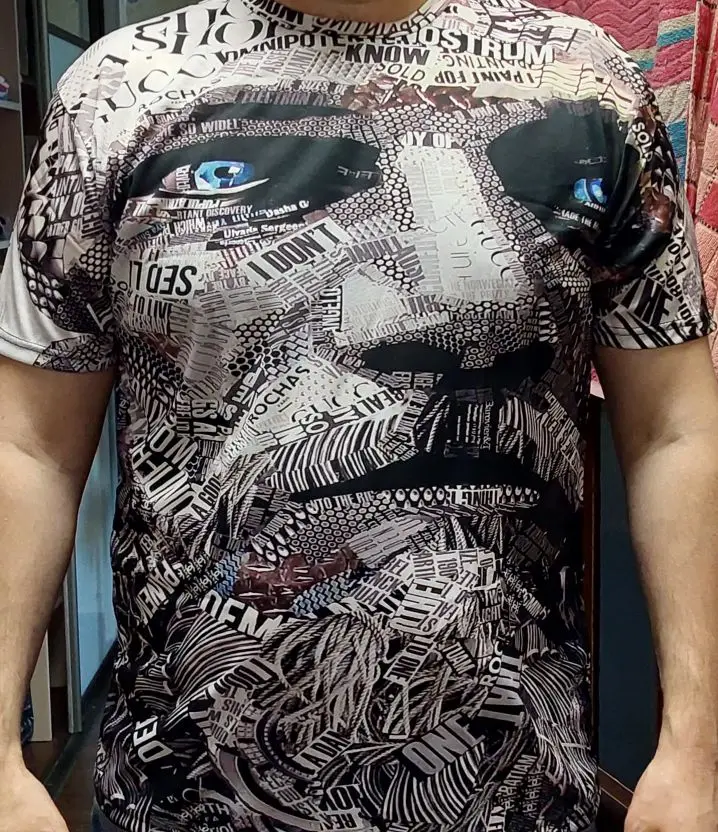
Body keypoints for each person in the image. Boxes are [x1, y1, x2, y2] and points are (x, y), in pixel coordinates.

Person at [1, 0, 718, 830]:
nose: (458, 329)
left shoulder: (590, 80)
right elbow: (27, 445)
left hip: (524, 790)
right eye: (222, 179)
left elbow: (676, 428)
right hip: (177, 796)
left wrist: (696, 751)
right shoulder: (118, 90)